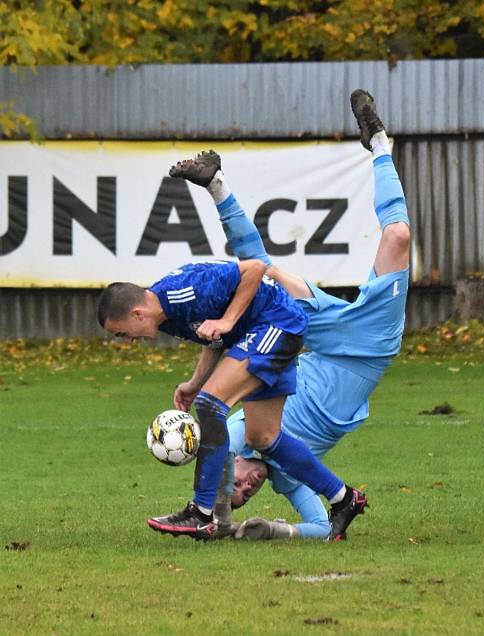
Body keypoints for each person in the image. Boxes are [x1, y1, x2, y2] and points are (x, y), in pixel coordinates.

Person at [167, 89, 409, 540]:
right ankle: (381, 147)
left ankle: (217, 184)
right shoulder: (287, 478)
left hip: (314, 339)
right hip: (370, 350)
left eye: (235, 484)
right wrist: (275, 529)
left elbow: (215, 443)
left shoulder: (237, 434)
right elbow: (321, 525)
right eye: (247, 495)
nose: (248, 485)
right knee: (397, 237)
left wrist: (217, 515)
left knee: (264, 276)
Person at [97, 219, 364, 543]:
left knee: (212, 405)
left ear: (137, 313)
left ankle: (202, 512)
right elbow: (215, 339)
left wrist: (227, 321)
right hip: (265, 332)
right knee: (263, 437)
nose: (127, 341)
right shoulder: (166, 318)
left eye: (122, 333)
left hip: (277, 324)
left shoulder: (181, 292)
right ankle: (343, 498)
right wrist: (196, 381)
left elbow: (253, 269)